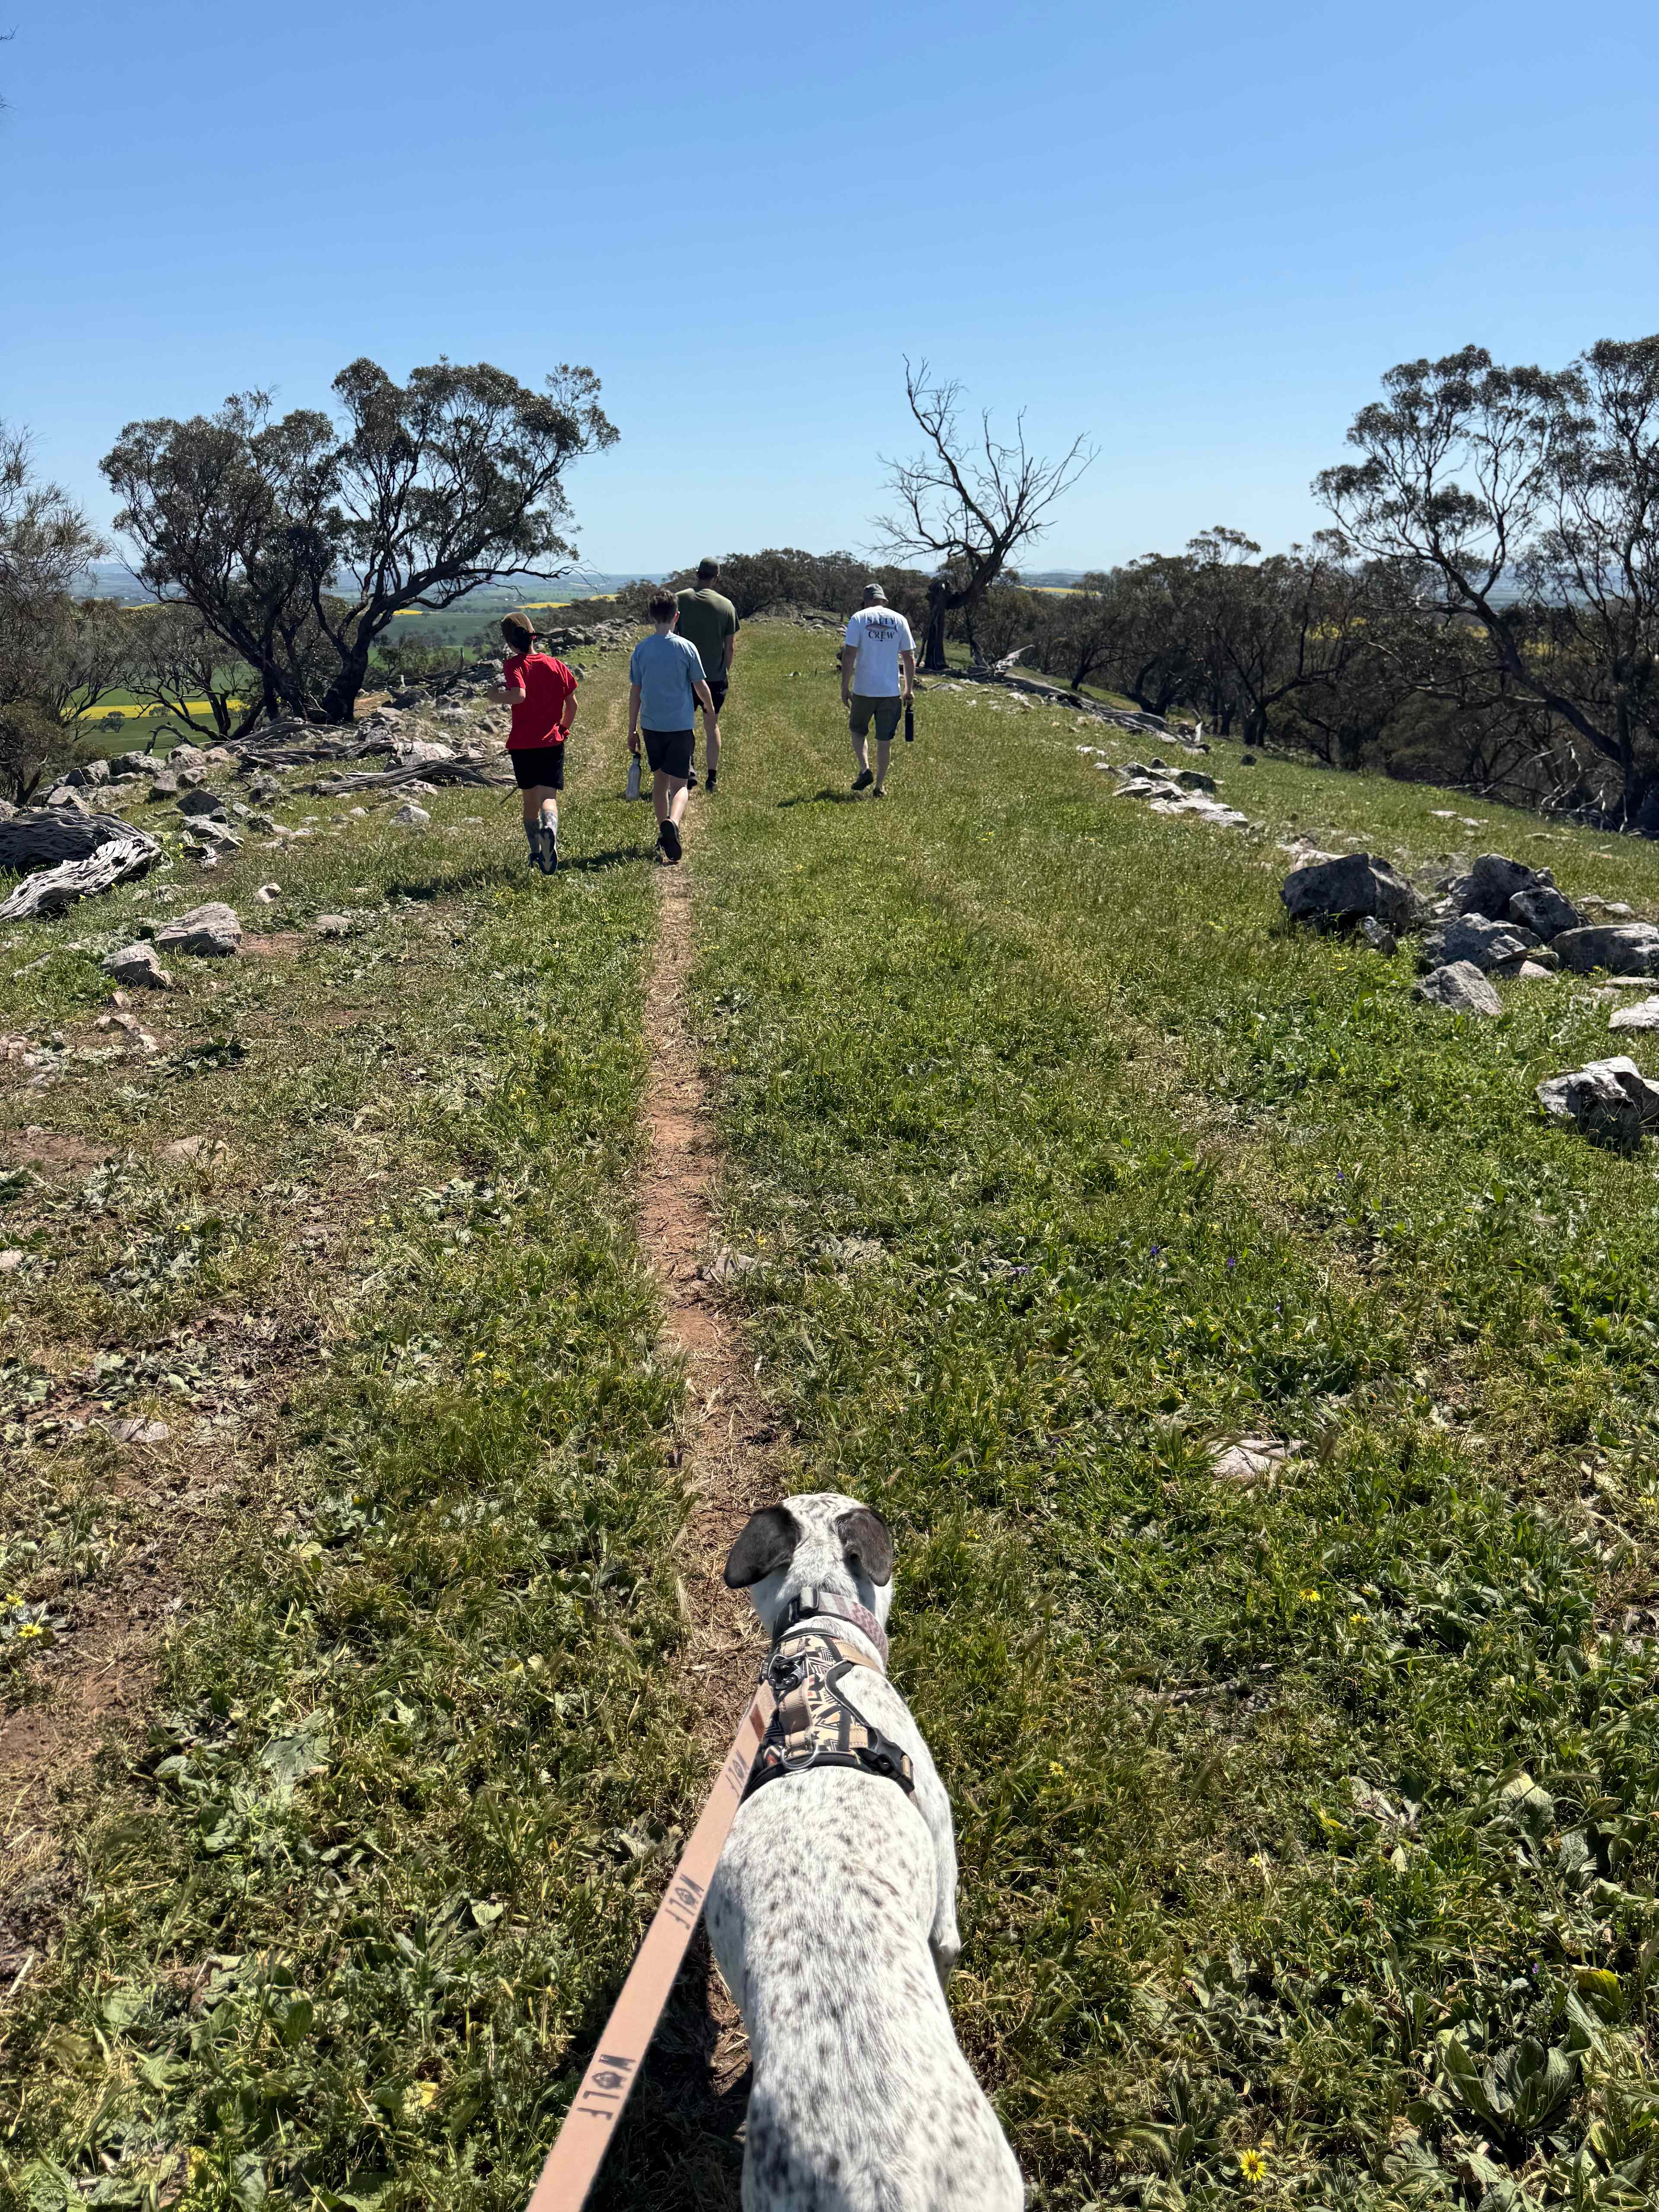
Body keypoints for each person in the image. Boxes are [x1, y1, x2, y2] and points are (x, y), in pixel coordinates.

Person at [629, 589, 718, 865]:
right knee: (680, 785)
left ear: (651, 617)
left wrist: (632, 729)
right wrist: (709, 707)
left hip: (652, 727)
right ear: (676, 616)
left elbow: (635, 692)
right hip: (680, 726)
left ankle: (663, 831)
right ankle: (673, 823)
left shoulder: (642, 649)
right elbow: (700, 685)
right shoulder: (687, 648)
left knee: (660, 781)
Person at [486, 612, 578, 872]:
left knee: (530, 802)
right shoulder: (556, 665)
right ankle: (551, 829)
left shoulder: (514, 665)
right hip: (552, 742)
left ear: (510, 642)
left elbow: (519, 696)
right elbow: (572, 705)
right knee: (549, 797)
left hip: (523, 746)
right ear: (533, 633)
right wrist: (563, 728)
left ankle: (536, 853)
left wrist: (495, 696)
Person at [840, 583, 915, 798]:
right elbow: (909, 657)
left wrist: (845, 686)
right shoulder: (900, 620)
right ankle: (879, 787)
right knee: (885, 740)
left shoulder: (859, 618)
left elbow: (849, 654)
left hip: (864, 689)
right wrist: (909, 689)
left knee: (858, 730)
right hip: (890, 691)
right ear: (884, 601)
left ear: (865, 601)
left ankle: (865, 769)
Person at [674, 559, 739, 792]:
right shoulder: (727, 606)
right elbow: (730, 647)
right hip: (715, 677)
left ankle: (688, 768)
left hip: (685, 676)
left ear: (697, 574)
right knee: (712, 727)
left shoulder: (680, 599)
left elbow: (672, 635)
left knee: (685, 725)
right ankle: (712, 778)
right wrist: (725, 670)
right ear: (716, 577)